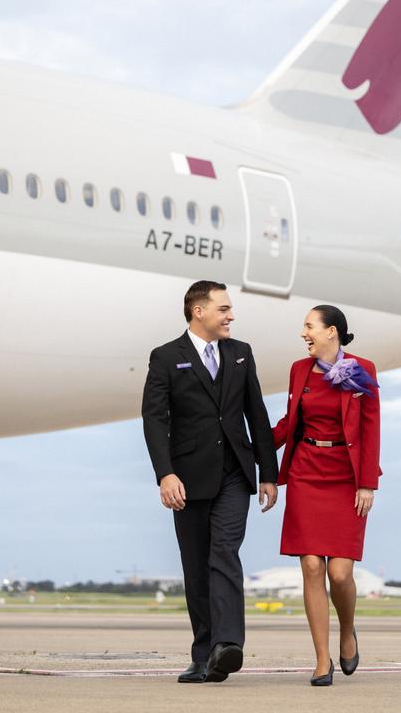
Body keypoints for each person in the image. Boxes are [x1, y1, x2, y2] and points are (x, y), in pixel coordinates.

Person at [142, 280, 278, 684]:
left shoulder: (241, 354)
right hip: (187, 478)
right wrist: (165, 474)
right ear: (198, 311)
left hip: (236, 471)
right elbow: (155, 420)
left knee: (224, 552)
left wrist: (269, 474)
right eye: (223, 309)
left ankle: (228, 645)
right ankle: (204, 655)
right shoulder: (166, 357)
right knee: (196, 566)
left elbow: (257, 413)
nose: (230, 315)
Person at [272, 305, 381, 686]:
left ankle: (347, 630)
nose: (304, 333)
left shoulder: (362, 369)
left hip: (346, 477)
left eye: (309, 326)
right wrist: (251, 446)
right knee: (312, 567)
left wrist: (367, 483)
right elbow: (289, 423)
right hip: (306, 472)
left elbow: (371, 428)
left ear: (331, 331)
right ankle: (321, 660)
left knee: (339, 571)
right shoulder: (299, 370)